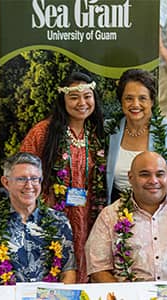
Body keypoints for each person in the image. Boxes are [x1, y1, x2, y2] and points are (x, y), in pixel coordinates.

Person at [20, 71, 106, 283]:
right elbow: (22, 174)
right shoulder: (43, 132)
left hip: (89, 217)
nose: (82, 103)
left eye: (87, 96)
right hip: (50, 216)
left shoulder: (97, 134)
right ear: (62, 100)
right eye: (74, 97)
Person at [86, 151, 167, 282]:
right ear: (130, 177)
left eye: (160, 174)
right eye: (145, 174)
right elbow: (98, 268)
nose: (153, 181)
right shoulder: (110, 215)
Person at [0, 152, 76, 286]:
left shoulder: (59, 221)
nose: (29, 185)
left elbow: (69, 273)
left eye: (35, 178)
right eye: (21, 179)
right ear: (6, 182)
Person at [106, 69, 167, 202]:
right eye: (129, 98)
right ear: (121, 101)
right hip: (116, 210)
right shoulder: (110, 130)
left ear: (152, 101)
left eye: (142, 98)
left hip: (159, 211)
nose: (135, 104)